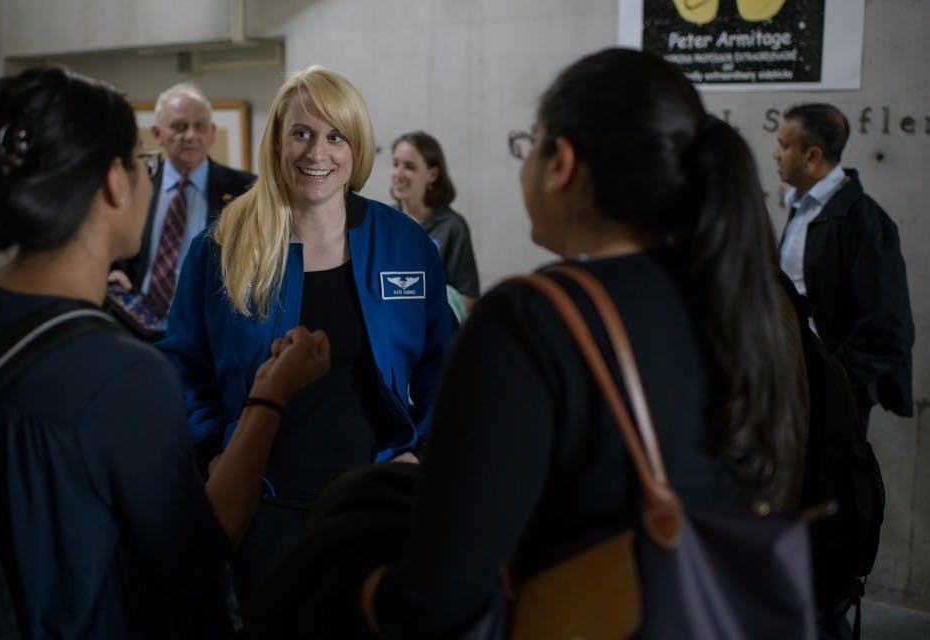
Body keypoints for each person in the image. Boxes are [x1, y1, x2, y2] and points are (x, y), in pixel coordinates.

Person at [345, 48, 805, 638]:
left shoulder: (530, 321)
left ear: (561, 162)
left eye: (528, 143)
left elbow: (436, 598)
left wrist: (350, 577)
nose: (524, 163)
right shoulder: (742, 302)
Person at [0, 66, 329, 639]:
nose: (150, 178)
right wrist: (270, 395)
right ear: (114, 184)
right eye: (142, 163)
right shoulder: (123, 373)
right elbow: (198, 551)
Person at [157, 66, 453, 605]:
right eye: (302, 133)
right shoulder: (219, 247)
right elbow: (182, 366)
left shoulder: (406, 246)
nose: (318, 153)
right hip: (261, 509)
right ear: (277, 141)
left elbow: (448, 366)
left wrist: (423, 453)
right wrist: (211, 456)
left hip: (373, 507)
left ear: (356, 146)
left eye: (336, 136)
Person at [775, 103, 914, 434]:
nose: (775, 154)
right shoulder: (803, 209)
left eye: (783, 145)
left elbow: (889, 328)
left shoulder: (863, 221)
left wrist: (836, 379)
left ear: (812, 156)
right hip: (794, 382)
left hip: (829, 395)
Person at [110, 82, 256, 312]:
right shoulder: (135, 184)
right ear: (158, 134)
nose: (190, 135)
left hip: (207, 327)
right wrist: (112, 272)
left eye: (199, 126)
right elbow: (113, 246)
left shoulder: (245, 190)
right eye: (179, 127)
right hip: (139, 321)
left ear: (212, 133)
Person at [391, 131, 480, 316]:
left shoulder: (453, 226)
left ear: (432, 174)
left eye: (409, 166)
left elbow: (469, 298)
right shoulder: (384, 221)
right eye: (395, 164)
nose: (398, 173)